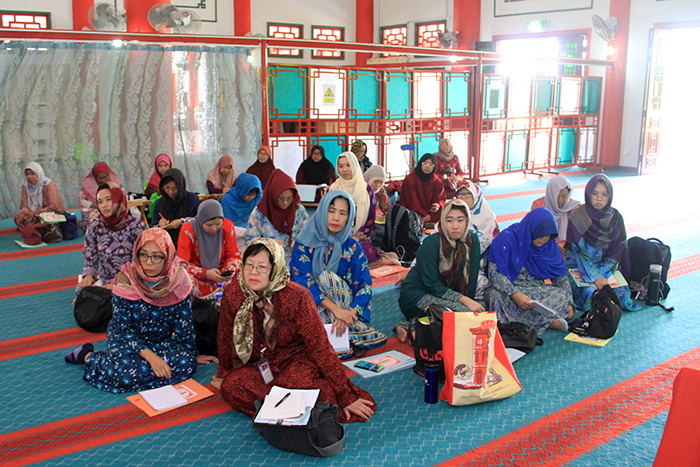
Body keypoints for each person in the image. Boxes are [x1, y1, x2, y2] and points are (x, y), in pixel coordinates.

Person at [212, 238, 376, 423]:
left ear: (275, 268)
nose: (253, 273)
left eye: (262, 267)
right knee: (232, 386)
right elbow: (225, 337)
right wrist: (224, 373)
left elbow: (320, 347)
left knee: (292, 385)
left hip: (296, 360)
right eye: (249, 265)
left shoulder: (297, 296)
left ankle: (281, 409)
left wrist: (345, 395)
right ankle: (294, 410)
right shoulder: (234, 293)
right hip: (257, 363)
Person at [65, 229, 197, 394]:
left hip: (160, 340)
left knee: (186, 363)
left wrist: (191, 353)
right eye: (144, 255)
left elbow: (183, 323)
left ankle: (143, 370)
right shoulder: (126, 280)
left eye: (156, 256)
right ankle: (89, 357)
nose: (148, 262)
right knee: (123, 374)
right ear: (137, 253)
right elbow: (122, 328)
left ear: (168, 256)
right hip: (126, 340)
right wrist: (151, 358)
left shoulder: (178, 280)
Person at [290, 191, 387, 356]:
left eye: (343, 213)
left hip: (344, 305)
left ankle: (336, 337)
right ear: (321, 211)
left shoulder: (353, 247)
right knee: (326, 280)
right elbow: (304, 284)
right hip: (311, 304)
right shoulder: (303, 244)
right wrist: (336, 310)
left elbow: (364, 285)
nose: (336, 218)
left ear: (349, 218)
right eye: (331, 210)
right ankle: (347, 338)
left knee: (332, 282)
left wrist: (349, 312)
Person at [397, 200, 484, 339]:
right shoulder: (431, 243)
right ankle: (413, 326)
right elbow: (431, 284)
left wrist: (469, 300)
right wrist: (464, 301)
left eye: (460, 220)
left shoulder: (472, 240)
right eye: (449, 221)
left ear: (467, 221)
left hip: (445, 294)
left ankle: (413, 325)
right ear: (443, 221)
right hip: (417, 294)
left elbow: (472, 277)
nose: (455, 226)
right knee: (461, 314)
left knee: (471, 316)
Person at [484, 208, 575, 335]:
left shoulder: (548, 245)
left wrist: (569, 302)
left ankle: (527, 322)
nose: (544, 239)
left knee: (561, 296)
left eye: (548, 236)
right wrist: (515, 294)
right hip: (508, 290)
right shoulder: (506, 240)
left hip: (534, 290)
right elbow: (495, 275)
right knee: (494, 297)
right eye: (541, 234)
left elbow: (560, 277)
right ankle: (548, 322)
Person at [566, 174, 640, 311]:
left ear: (610, 196)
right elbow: (578, 253)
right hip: (579, 267)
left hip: (605, 268)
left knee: (621, 295)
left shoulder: (616, 217)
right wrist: (595, 278)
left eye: (604, 194)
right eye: (595, 193)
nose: (599, 198)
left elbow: (617, 251)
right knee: (590, 295)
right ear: (588, 194)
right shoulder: (579, 215)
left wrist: (601, 275)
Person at [77, 182, 147, 294]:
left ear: (118, 199)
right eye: (100, 202)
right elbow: (90, 259)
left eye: (108, 199)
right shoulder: (94, 228)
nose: (104, 205)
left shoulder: (135, 226)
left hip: (132, 280)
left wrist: (119, 283)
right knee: (82, 290)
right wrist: (89, 276)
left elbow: (140, 262)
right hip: (106, 280)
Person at [177, 200, 241, 298]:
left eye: (218, 224)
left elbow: (234, 256)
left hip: (221, 275)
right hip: (198, 277)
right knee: (183, 279)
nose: (214, 229)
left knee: (242, 273)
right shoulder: (188, 230)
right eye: (209, 225)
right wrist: (205, 273)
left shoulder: (227, 226)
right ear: (201, 220)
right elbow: (181, 264)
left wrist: (228, 270)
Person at [246, 169, 310, 266]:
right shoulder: (260, 213)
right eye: (280, 199)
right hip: (268, 260)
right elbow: (250, 240)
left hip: (295, 259)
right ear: (272, 195)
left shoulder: (299, 211)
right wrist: (268, 244)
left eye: (289, 199)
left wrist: (299, 242)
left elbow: (309, 234)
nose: (285, 203)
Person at [329, 151, 382, 266]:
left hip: (359, 235)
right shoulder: (333, 189)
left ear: (355, 165)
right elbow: (326, 216)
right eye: (341, 166)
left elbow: (371, 218)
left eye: (348, 165)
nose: (345, 169)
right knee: (332, 252)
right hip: (336, 235)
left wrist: (358, 235)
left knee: (361, 251)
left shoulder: (366, 190)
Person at [455, 180, 500, 298]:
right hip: (449, 262)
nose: (463, 197)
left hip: (476, 267)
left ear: (476, 196)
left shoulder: (487, 219)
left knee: (477, 285)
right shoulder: (451, 214)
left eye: (468, 194)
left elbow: (485, 249)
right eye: (460, 194)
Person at [153, 168, 200, 249]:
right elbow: (154, 228)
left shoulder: (192, 199)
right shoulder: (160, 203)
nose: (171, 192)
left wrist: (182, 222)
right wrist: (160, 225)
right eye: (167, 188)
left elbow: (200, 221)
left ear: (181, 186)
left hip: (191, 244)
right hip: (167, 246)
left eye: (175, 188)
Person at [14, 162, 65, 233]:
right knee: (19, 216)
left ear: (39, 173)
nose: (30, 177)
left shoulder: (48, 185)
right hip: (33, 214)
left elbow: (53, 207)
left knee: (46, 221)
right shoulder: (25, 186)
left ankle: (35, 228)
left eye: (33, 174)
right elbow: (23, 205)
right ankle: (34, 227)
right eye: (27, 174)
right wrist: (27, 214)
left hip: (50, 213)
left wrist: (35, 213)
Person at [531, 175, 580, 247]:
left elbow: (578, 233)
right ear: (550, 194)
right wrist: (555, 245)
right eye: (556, 196)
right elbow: (534, 233)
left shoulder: (573, 208)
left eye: (564, 196)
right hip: (545, 245)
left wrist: (568, 246)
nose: (560, 200)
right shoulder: (539, 206)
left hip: (568, 246)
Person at [398, 153, 446, 224]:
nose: (427, 167)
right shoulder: (410, 179)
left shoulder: (437, 181)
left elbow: (441, 198)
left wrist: (437, 205)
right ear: (420, 164)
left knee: (442, 210)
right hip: (413, 211)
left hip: (430, 213)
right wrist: (424, 215)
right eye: (425, 163)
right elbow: (412, 201)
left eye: (431, 165)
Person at [79, 161, 122, 229]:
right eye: (100, 178)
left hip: (113, 208)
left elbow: (123, 197)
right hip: (96, 210)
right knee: (94, 218)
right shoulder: (88, 186)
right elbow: (81, 201)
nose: (103, 180)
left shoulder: (115, 184)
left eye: (105, 177)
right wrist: (94, 205)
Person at [363, 164, 391, 248]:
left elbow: (388, 209)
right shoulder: (361, 189)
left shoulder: (381, 191)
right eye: (375, 181)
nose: (378, 185)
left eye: (381, 182)